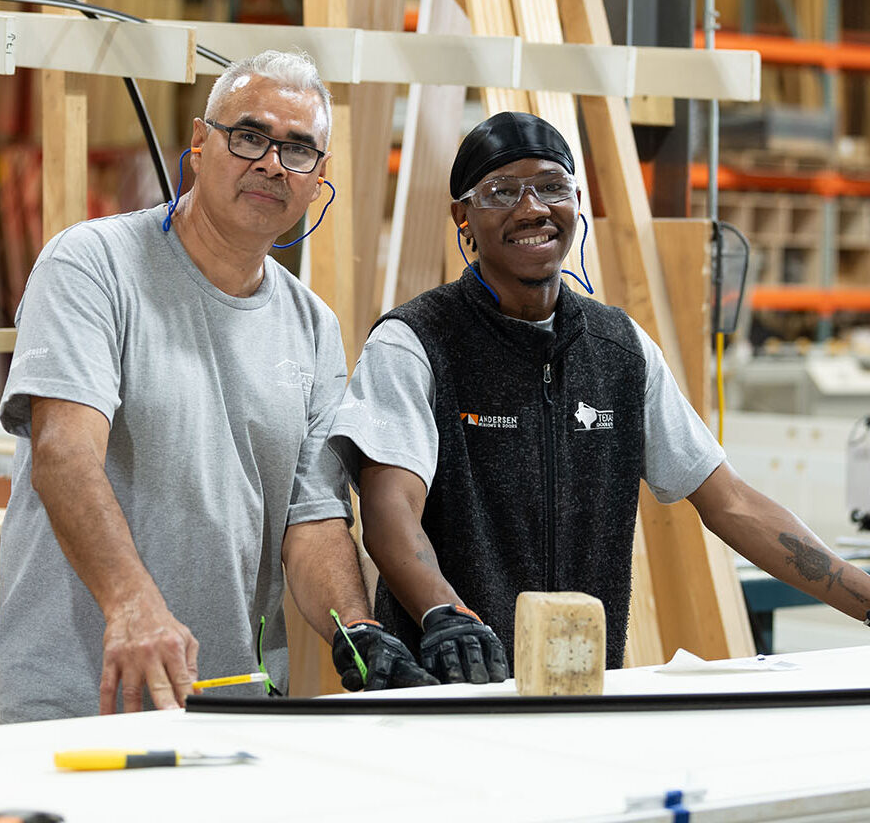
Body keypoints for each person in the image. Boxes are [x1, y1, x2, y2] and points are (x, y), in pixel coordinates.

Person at [328, 110, 870, 684]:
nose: (532, 208)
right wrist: (447, 613)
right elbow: (390, 514)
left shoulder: (620, 350)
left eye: (551, 187)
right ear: (463, 216)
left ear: (577, 201)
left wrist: (865, 598)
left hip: (581, 687)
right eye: (501, 192)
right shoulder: (415, 342)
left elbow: (730, 502)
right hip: (449, 684)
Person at [0, 50, 435, 724]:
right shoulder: (93, 266)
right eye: (249, 136)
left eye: (299, 150)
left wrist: (359, 633)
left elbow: (311, 521)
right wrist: (131, 603)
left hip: (229, 708)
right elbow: (64, 454)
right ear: (199, 144)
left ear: (319, 178)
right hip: (77, 700)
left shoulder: (312, 326)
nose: (272, 164)